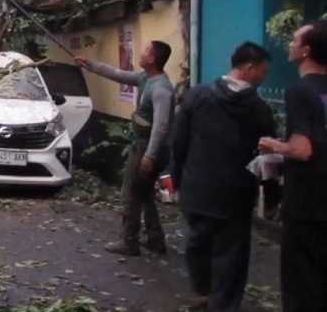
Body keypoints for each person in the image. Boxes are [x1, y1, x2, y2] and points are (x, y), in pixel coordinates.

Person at [171, 41, 276, 311]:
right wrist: (271, 194)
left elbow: (179, 141)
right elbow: (268, 158)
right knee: (232, 255)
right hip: (236, 194)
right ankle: (223, 304)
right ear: (249, 67)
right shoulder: (259, 110)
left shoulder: (198, 95)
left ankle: (203, 290)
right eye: (262, 72)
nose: (263, 78)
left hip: (198, 189)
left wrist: (176, 178)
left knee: (198, 243)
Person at [74, 41, 175, 256]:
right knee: (145, 193)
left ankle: (129, 241)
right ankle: (156, 239)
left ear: (153, 59)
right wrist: (90, 64)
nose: (141, 53)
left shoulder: (161, 91)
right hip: (144, 146)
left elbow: (161, 126)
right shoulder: (145, 78)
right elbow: (118, 74)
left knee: (129, 193)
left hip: (147, 148)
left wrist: (149, 156)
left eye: (146, 50)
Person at [258, 20, 327, 312]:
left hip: (307, 202)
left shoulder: (300, 91)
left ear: (306, 50)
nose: (290, 43)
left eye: (295, 39)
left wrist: (273, 146)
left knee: (301, 285)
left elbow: (302, 150)